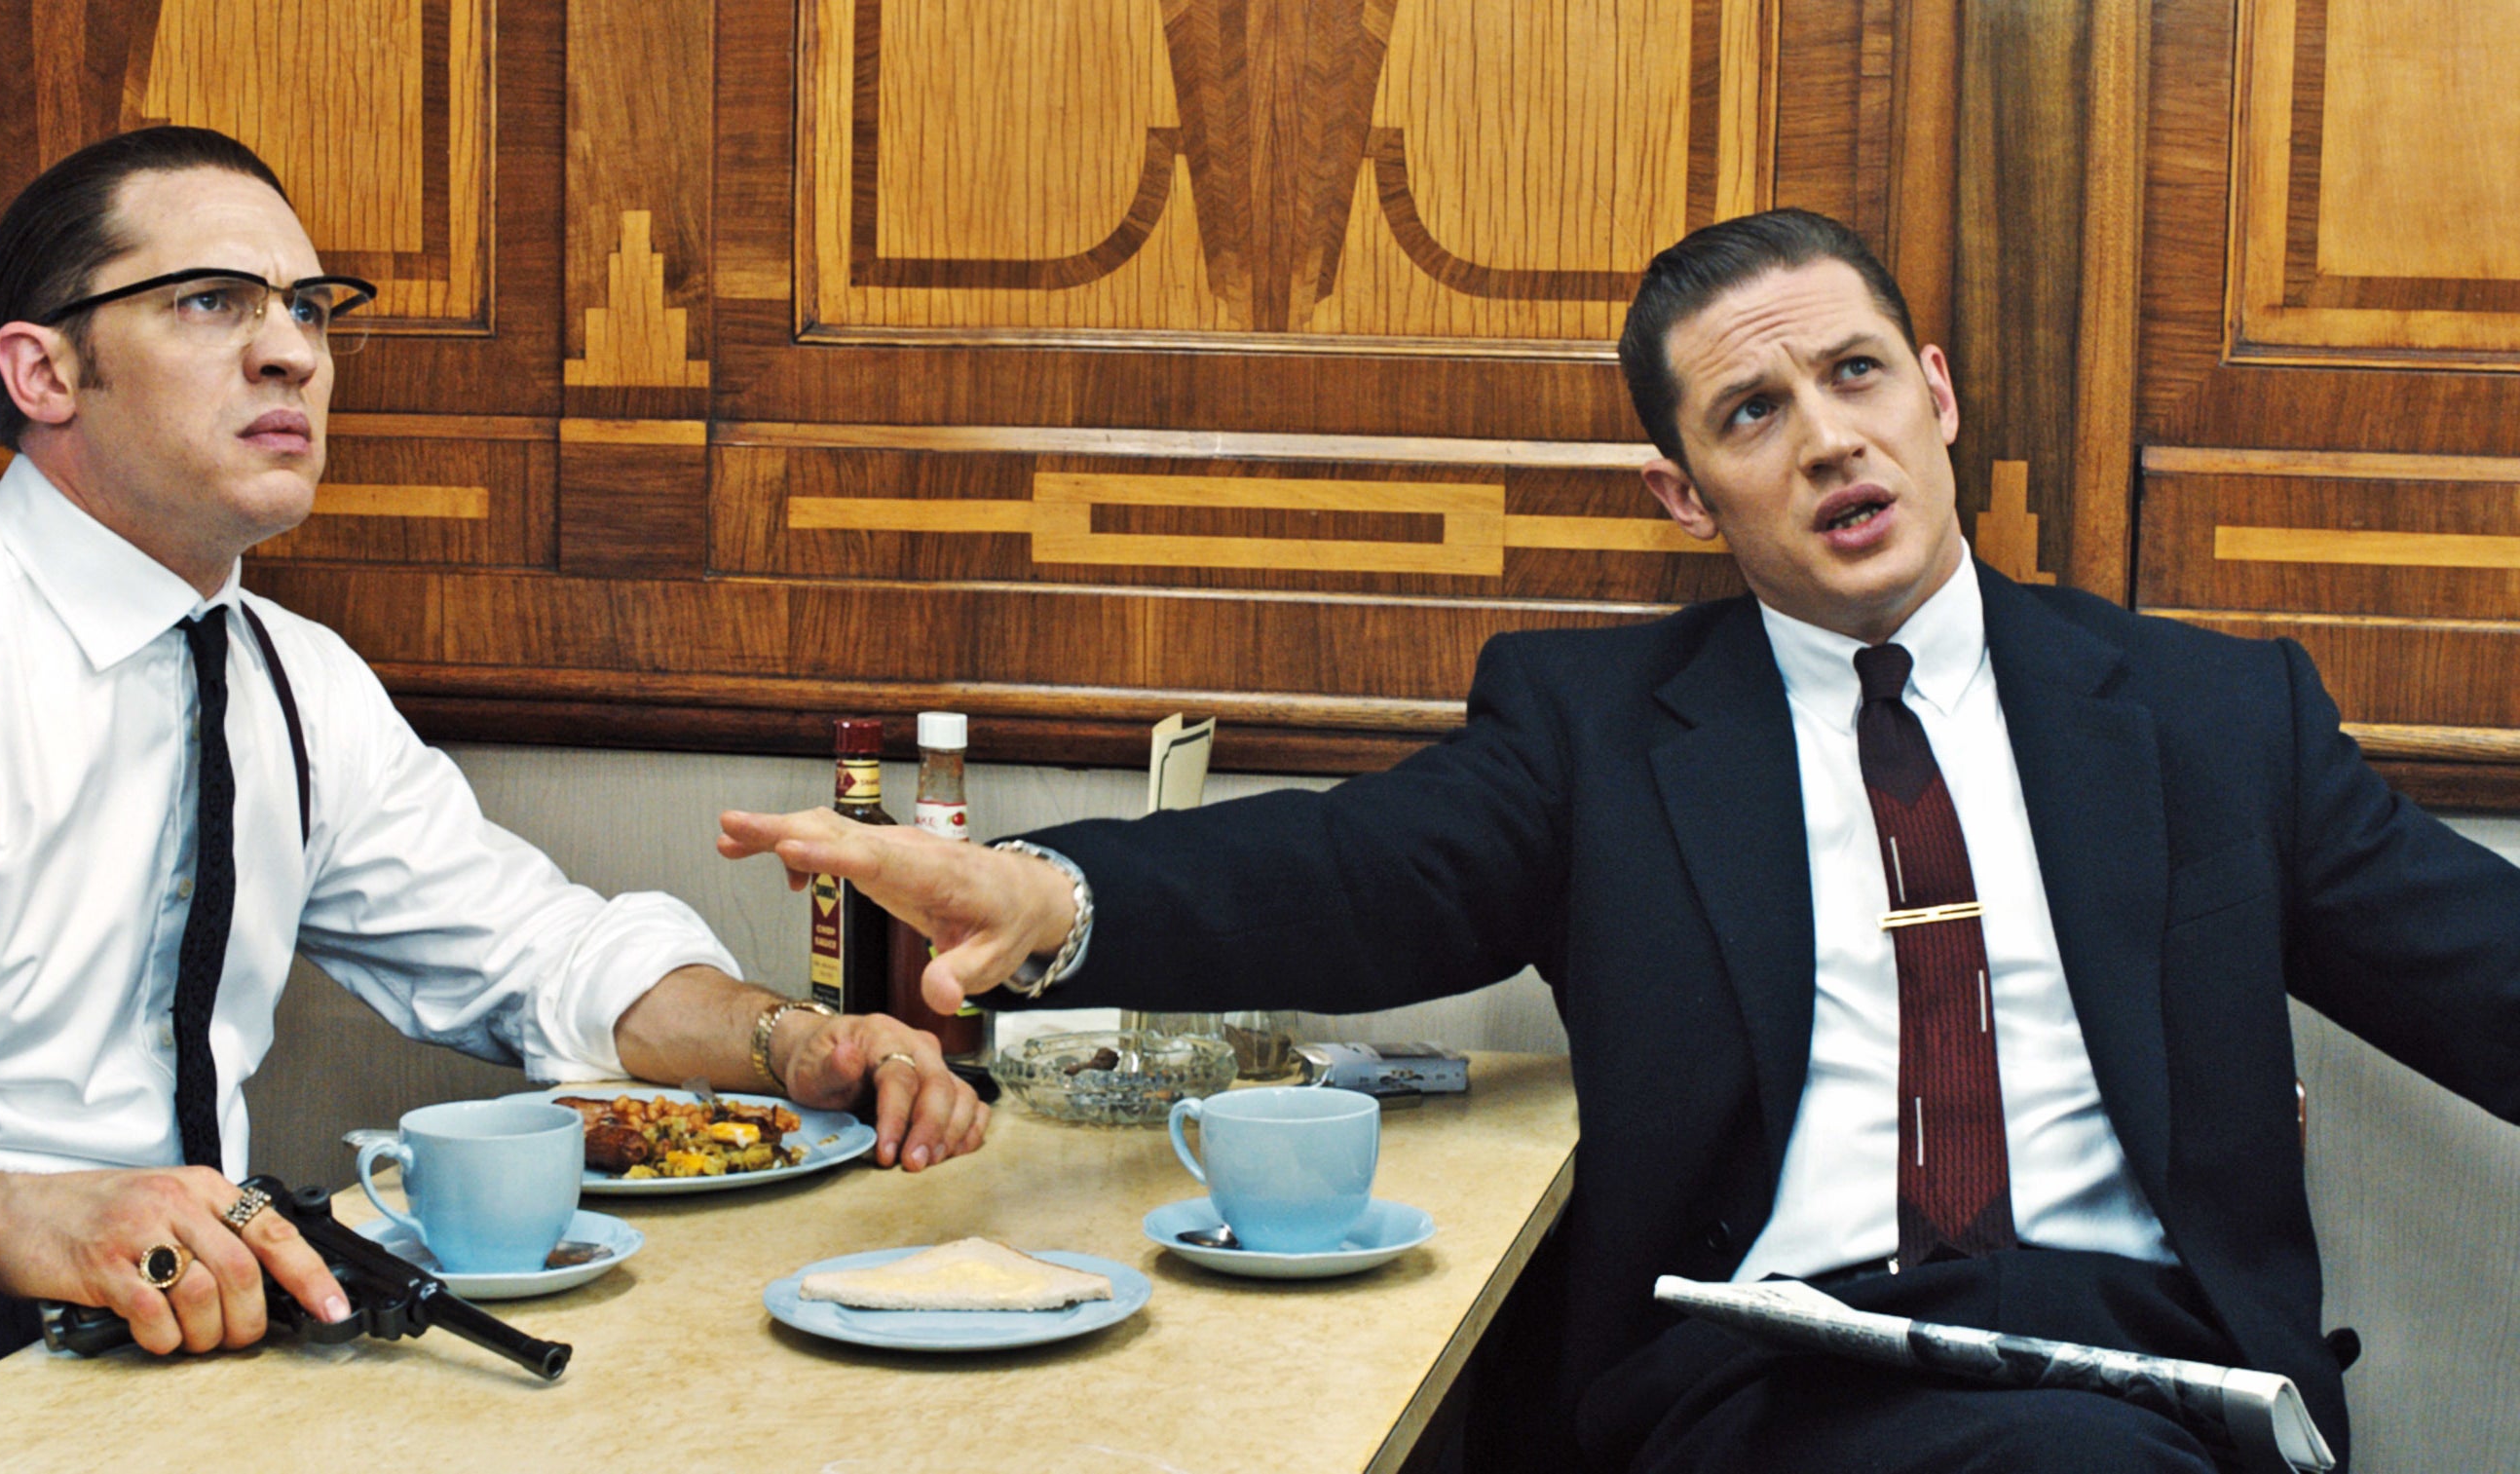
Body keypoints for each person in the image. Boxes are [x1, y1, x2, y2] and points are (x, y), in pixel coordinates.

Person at [719, 208, 2520, 1471]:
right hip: (1767, 1375)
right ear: (1683, 487)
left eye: (1857, 375)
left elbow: (2477, 969)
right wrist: (1039, 890)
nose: (1828, 438)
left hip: (2144, 1374)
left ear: (1940, 396)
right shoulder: (1598, 731)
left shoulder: (2215, 717)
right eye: (1755, 410)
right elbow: (1362, 872)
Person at [0, 127, 987, 1407]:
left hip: (208, 1356)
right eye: (209, 301)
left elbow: (540, 958)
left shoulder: (291, 677)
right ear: (44, 368)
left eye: (309, 307)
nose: (294, 350)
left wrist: (798, 1041)